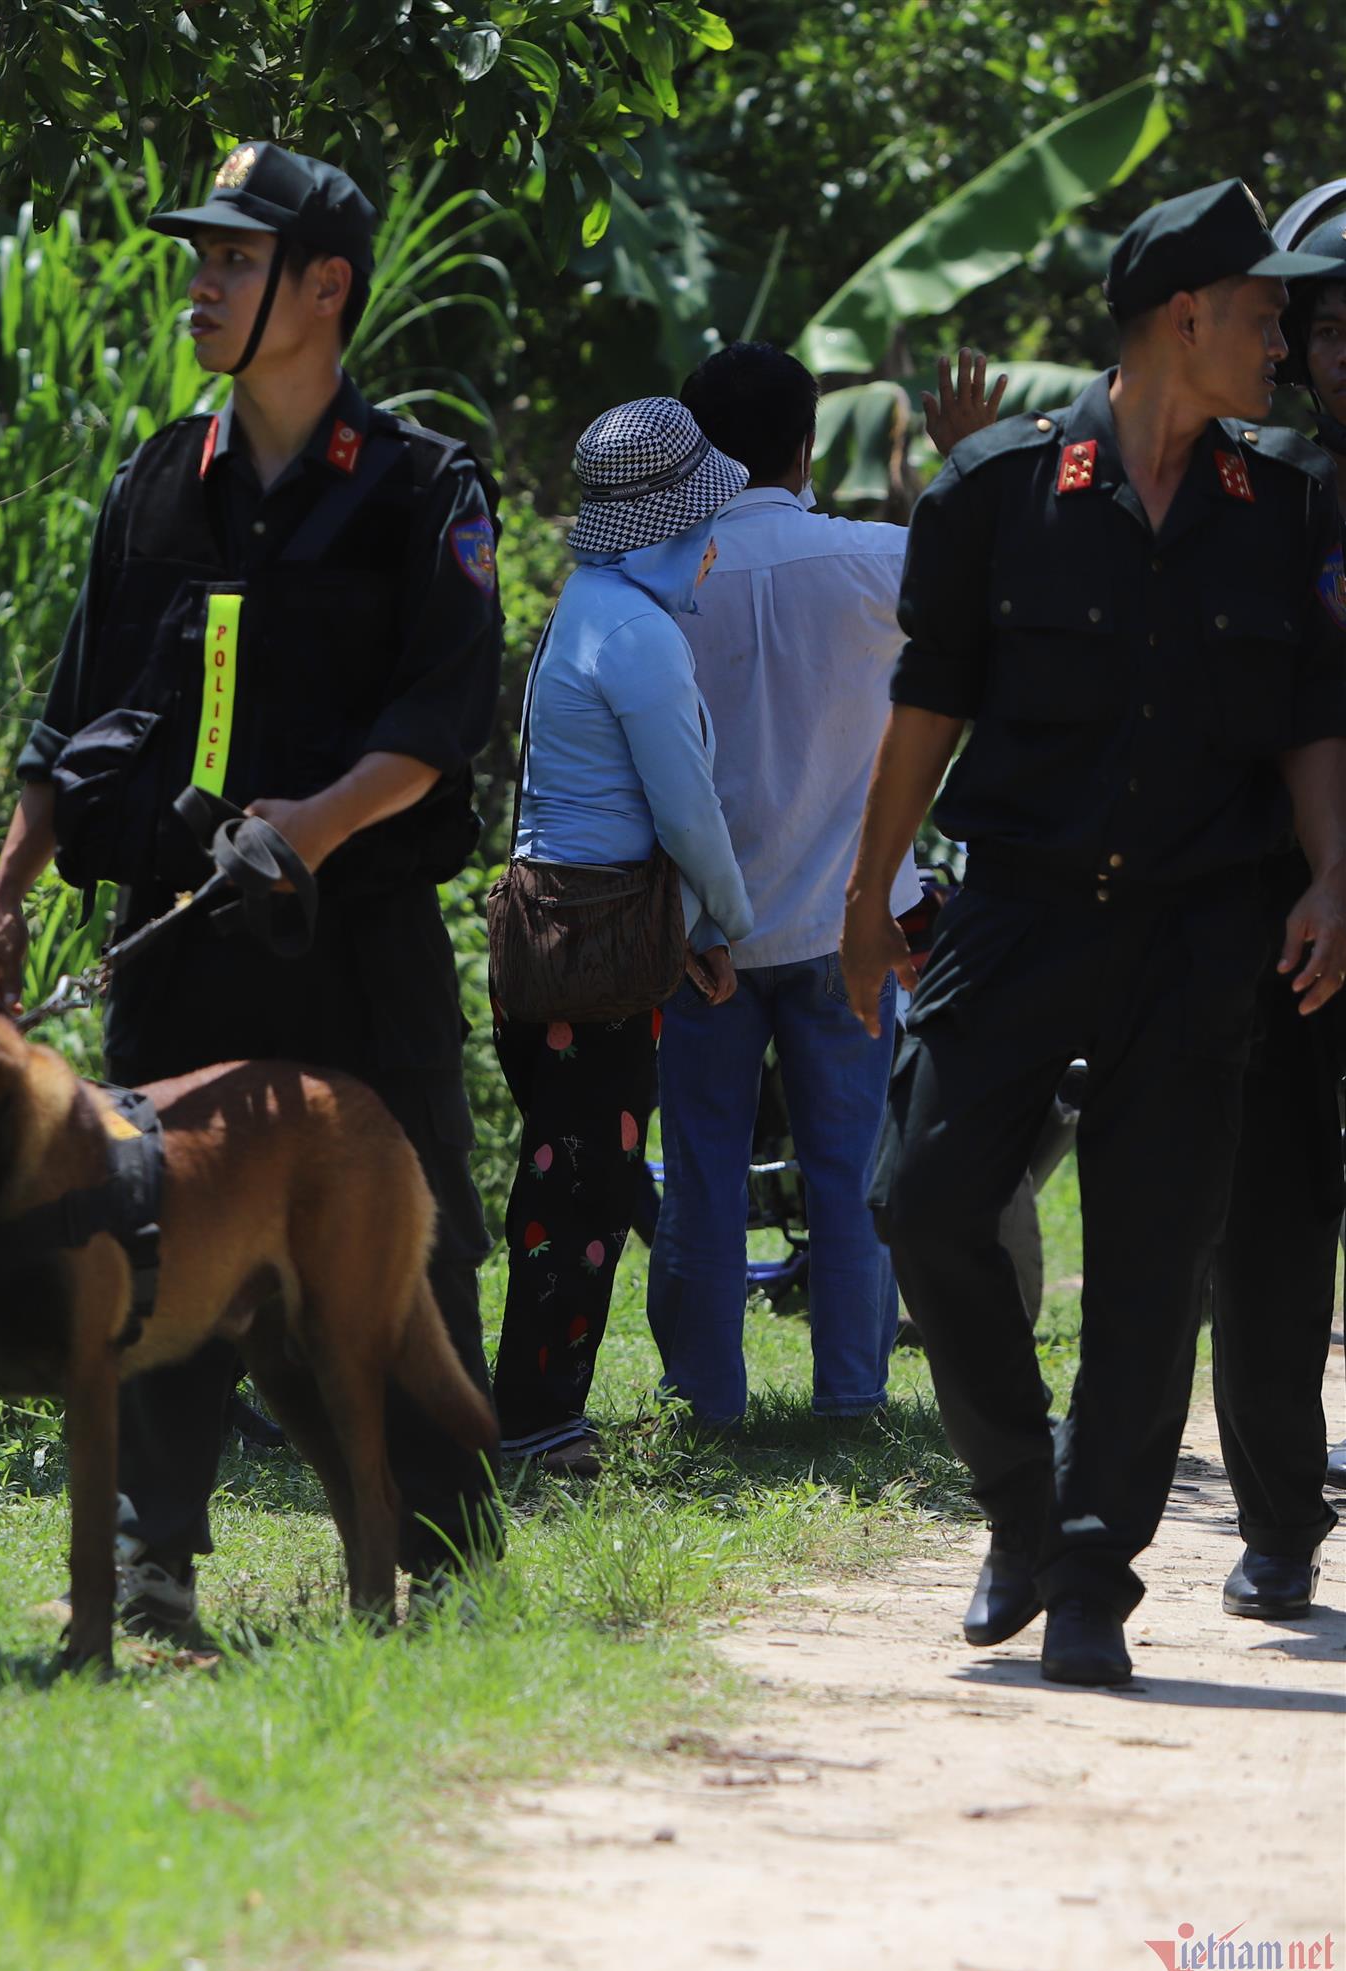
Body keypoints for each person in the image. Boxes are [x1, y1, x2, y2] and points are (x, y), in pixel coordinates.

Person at [0, 141, 506, 1631]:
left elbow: (445, 718)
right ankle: (153, 1570)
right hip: (177, 951)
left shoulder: (418, 489)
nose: (201, 283)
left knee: (407, 1242)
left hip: (354, 948)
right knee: (147, 1245)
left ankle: (445, 1563)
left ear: (324, 289)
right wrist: (8, 903)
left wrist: (314, 828)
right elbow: (62, 721)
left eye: (236, 260)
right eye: (198, 256)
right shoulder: (158, 481)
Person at [841, 182, 1346, 1686]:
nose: (1286, 340)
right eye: (1264, 314)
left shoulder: (1286, 511)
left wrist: (1332, 877)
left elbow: (1315, 714)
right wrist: (865, 899)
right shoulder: (996, 494)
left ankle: (1090, 1579)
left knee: (1149, 1260)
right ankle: (1020, 1508)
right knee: (920, 1199)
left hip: (1204, 925)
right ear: (1181, 320)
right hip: (1021, 907)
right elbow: (923, 710)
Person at [650, 343, 986, 1430]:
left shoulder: (658, 577)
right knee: (848, 1169)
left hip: (701, 935)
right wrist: (967, 460)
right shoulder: (867, 561)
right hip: (851, 927)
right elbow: (987, 583)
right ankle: (853, 1394)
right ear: (807, 443)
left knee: (701, 1171)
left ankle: (705, 1397)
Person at [491, 397, 754, 1473]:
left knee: (570, 1173)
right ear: (662, 525)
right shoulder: (639, 633)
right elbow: (686, 808)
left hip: (554, 934)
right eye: (700, 523)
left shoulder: (586, 605)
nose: (710, 545)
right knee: (581, 1187)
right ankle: (539, 1419)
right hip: (599, 945)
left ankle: (531, 1406)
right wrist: (727, 917)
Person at [1205, 180, 1346, 1615]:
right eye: (1329, 327)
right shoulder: (1257, 494)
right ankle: (1277, 1523)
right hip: (1284, 911)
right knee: (1273, 1223)